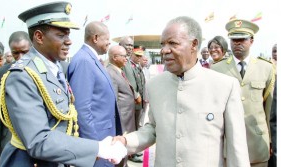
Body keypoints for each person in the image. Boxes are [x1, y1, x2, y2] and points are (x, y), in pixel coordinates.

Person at [0, 2, 126, 166]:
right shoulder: (22, 75)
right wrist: (97, 148)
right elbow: (38, 141)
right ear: (39, 37)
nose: (69, 41)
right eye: (61, 35)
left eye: (68, 35)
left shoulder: (55, 68)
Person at [113, 16, 250, 166]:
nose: (164, 50)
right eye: (163, 44)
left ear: (194, 44)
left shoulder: (225, 86)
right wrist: (126, 140)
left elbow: (237, 148)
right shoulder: (154, 85)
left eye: (172, 43)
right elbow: (153, 128)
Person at [211, 19, 275, 167]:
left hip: (258, 145)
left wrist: (271, 140)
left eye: (242, 39)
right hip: (229, 145)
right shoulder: (217, 70)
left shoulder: (266, 68)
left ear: (251, 41)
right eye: (233, 39)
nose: (237, 43)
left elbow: (270, 110)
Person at [67, 21, 122, 167]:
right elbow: (82, 108)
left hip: (104, 137)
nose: (109, 42)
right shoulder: (84, 61)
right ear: (95, 38)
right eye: (107, 39)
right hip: (97, 141)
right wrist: (94, 148)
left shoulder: (91, 59)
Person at [0, 31, 31, 167]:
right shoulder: (3, 73)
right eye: (15, 53)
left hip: (37, 138)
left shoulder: (45, 70)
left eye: (24, 52)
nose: (20, 57)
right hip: (10, 138)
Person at [106, 45, 136, 167]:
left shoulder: (119, 71)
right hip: (121, 122)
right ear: (114, 57)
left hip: (127, 119)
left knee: (123, 153)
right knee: (118, 153)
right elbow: (113, 101)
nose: (126, 59)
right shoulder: (110, 73)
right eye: (123, 56)